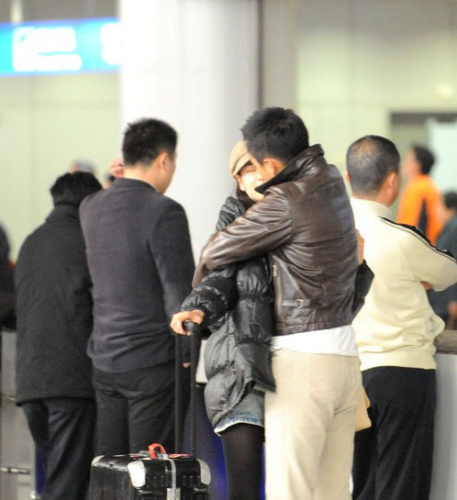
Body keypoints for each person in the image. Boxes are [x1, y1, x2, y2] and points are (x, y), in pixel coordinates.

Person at [192, 107, 363, 500]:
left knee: (290, 491)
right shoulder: (331, 180)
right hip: (344, 358)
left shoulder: (285, 200)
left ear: (268, 164)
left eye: (254, 166)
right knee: (332, 492)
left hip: (303, 363)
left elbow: (215, 251)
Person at [346, 135, 457, 500]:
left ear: (347, 178)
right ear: (392, 181)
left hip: (350, 373)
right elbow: (449, 271)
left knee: (362, 483)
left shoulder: (329, 235)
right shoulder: (401, 238)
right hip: (403, 374)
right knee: (402, 485)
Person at [79, 117, 195, 455]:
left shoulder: (90, 206)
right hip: (153, 363)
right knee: (151, 470)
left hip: (105, 360)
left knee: (111, 467)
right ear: (164, 160)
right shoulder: (165, 211)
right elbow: (178, 291)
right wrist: (188, 355)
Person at [170, 141, 275, 500]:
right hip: (238, 369)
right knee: (244, 488)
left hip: (289, 365)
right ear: (238, 179)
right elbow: (220, 277)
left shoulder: (296, 220)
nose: (258, 175)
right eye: (248, 169)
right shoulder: (232, 224)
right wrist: (197, 308)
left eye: (263, 166)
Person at [15, 171, 102, 500]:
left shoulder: (31, 242)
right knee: (67, 484)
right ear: (89, 202)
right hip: (70, 381)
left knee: (58, 475)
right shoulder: (87, 241)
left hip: (30, 384)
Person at [396, 144, 442, 244]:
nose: (404, 164)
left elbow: (410, 225)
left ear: (417, 165)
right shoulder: (429, 185)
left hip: (419, 247)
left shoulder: (417, 188)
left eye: (408, 160)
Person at [428, 190, 457, 327]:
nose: (435, 211)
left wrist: (454, 299)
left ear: (449, 208)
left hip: (448, 299)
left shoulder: (454, 229)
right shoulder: (448, 227)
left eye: (438, 206)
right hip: (443, 297)